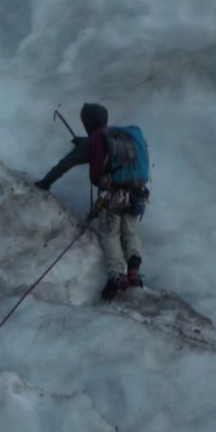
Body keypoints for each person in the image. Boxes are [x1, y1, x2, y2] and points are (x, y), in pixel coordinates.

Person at [34, 103, 145, 301]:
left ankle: (116, 277)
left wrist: (45, 183)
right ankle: (134, 273)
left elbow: (64, 165)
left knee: (110, 234)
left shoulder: (92, 143)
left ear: (87, 123)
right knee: (130, 231)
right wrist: (86, 143)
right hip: (137, 193)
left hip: (113, 195)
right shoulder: (118, 137)